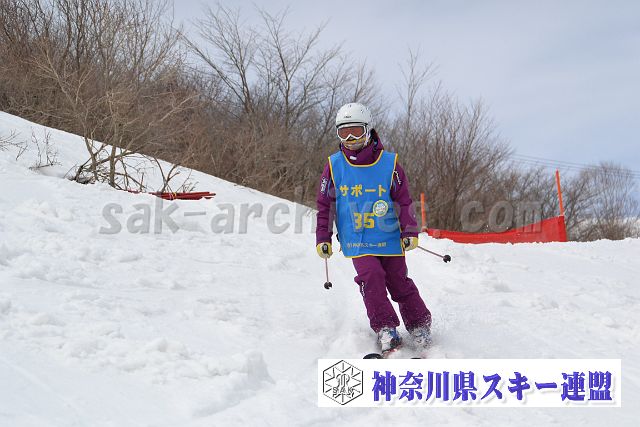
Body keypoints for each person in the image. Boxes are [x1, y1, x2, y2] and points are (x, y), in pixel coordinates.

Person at [315, 102, 432, 354]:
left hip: (389, 237)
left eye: (356, 131)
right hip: (357, 238)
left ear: (368, 130)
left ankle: (419, 325)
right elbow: (325, 204)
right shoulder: (334, 165)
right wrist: (323, 237)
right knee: (371, 278)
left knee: (399, 282)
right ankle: (385, 328)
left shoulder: (389, 163)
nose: (350, 139)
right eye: (344, 132)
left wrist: (409, 230)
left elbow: (404, 200)